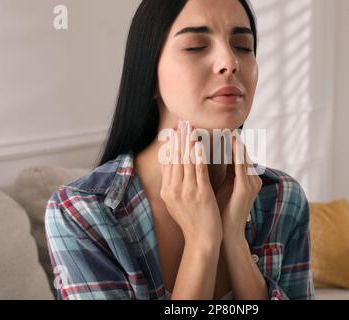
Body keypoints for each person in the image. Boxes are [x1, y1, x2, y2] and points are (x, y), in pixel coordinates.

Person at [45, 0, 315, 300]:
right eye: (196, 46)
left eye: (242, 45)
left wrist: (235, 244)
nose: (230, 61)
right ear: (149, 75)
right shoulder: (82, 213)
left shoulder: (283, 200)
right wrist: (202, 242)